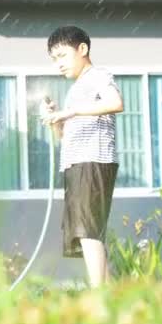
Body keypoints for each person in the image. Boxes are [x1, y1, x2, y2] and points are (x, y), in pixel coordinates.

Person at [41, 25, 124, 287]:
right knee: (85, 233)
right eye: (54, 60)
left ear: (83, 49)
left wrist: (70, 112)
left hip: (94, 161)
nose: (58, 65)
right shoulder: (75, 90)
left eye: (62, 56)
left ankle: (99, 296)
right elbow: (65, 139)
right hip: (76, 164)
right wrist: (56, 119)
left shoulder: (98, 75)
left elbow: (116, 103)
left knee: (89, 231)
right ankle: (112, 298)